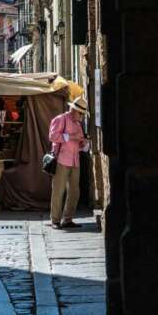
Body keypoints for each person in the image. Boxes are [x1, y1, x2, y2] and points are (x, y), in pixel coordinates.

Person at [49, 96, 89, 229]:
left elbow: (80, 143)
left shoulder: (78, 124)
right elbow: (52, 136)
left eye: (83, 113)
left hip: (75, 160)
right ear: (73, 110)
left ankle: (67, 219)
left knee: (74, 192)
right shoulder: (61, 119)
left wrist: (83, 143)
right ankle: (55, 220)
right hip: (62, 159)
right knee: (58, 191)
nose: (82, 116)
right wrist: (70, 136)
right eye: (81, 113)